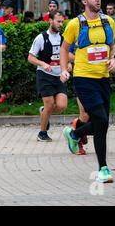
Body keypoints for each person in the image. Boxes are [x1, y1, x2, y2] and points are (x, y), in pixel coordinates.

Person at [60, 0, 115, 183]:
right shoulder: (75, 24)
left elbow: (111, 45)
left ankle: (75, 134)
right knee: (101, 120)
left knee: (102, 124)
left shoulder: (108, 21)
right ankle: (103, 169)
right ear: (84, 1)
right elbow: (64, 48)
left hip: (103, 78)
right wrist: (63, 69)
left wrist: (113, 59)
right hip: (84, 78)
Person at [28, 11, 68, 142]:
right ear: (50, 21)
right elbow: (30, 58)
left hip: (59, 76)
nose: (61, 24)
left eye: (62, 22)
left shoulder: (63, 38)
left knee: (61, 106)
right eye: (58, 21)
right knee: (49, 104)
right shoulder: (41, 38)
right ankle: (42, 133)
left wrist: (68, 66)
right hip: (44, 75)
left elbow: (67, 56)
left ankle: (44, 112)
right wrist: (42, 63)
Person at [0, 0, 18, 104]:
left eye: (6, 8)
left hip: (12, 52)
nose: (4, 10)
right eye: (2, 8)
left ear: (11, 9)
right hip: (0, 50)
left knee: (11, 74)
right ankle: (1, 94)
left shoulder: (14, 20)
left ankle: (10, 94)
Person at [68, 43, 89, 155]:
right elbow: (66, 52)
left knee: (99, 117)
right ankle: (77, 140)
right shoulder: (76, 28)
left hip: (99, 77)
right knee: (85, 113)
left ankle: (78, 128)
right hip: (81, 77)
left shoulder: (104, 28)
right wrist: (83, 59)